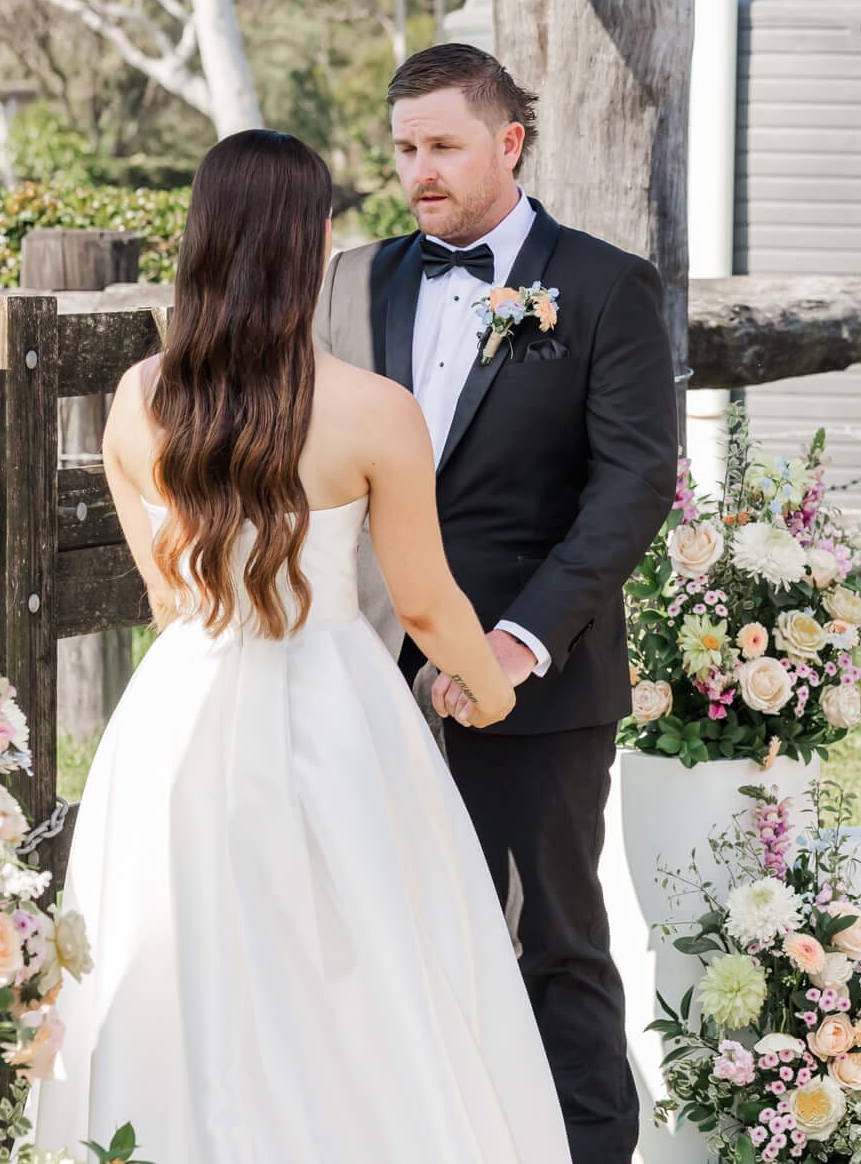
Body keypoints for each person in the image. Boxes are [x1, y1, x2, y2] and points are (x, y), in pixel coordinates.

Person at [35, 129, 572, 1162]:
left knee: (176, 953)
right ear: (316, 241)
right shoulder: (375, 412)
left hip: (177, 707)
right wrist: (493, 691)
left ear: (201, 241)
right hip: (333, 704)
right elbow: (423, 605)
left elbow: (164, 592)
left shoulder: (139, 399)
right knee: (361, 960)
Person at [313, 43, 677, 1161]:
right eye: (404, 150)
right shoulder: (347, 282)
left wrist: (514, 646)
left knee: (550, 941)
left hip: (536, 685)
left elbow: (632, 487)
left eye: (441, 146)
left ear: (507, 142)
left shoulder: (607, 286)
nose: (418, 171)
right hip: (363, 675)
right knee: (379, 934)